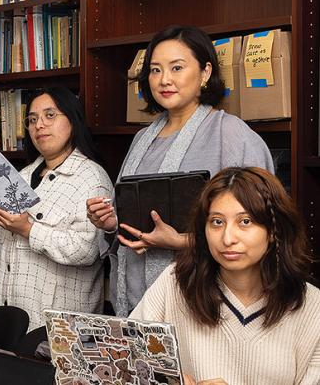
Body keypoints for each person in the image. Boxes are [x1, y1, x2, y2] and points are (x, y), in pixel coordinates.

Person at [86, 25, 274, 316]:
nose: (165, 80)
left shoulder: (231, 134)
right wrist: (111, 222)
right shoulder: (142, 139)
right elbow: (129, 216)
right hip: (139, 303)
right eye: (155, 70)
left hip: (203, 301)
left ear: (205, 72)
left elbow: (262, 226)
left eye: (177, 67)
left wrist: (178, 242)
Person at [130, 167, 320, 384]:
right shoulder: (176, 282)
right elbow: (126, 361)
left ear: (274, 232)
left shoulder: (313, 308)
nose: (228, 238)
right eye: (217, 222)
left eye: (245, 221)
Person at [0, 88, 113, 330]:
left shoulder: (91, 178)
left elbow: (88, 250)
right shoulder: (21, 175)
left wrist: (29, 229)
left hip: (57, 324)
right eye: (32, 119)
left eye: (50, 115)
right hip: (9, 310)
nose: (39, 125)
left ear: (72, 120)